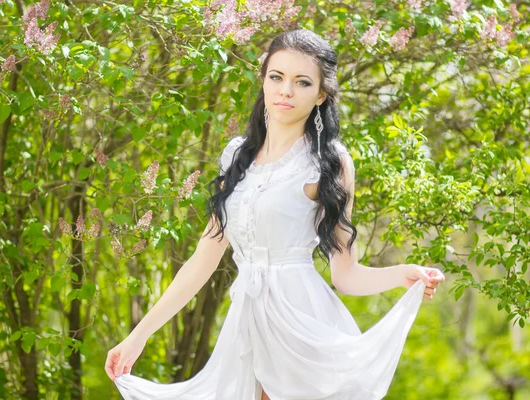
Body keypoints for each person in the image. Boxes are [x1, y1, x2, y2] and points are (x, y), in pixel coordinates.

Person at [105, 29, 446, 400]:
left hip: (302, 324)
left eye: (302, 82)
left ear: (321, 94)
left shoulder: (329, 163)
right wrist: (139, 336)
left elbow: (345, 276)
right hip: (247, 324)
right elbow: (202, 261)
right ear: (263, 79)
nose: (286, 90)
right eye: (276, 77)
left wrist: (403, 275)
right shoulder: (237, 155)